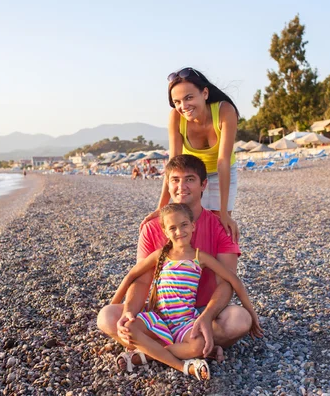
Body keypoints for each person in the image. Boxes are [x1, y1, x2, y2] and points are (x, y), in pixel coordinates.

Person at [97, 155, 254, 371]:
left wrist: (207, 317)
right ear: (168, 184)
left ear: (203, 185)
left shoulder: (221, 226)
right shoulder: (152, 227)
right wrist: (129, 313)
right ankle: (197, 349)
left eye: (189, 179)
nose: (182, 186)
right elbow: (141, 281)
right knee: (107, 317)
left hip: (200, 312)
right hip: (160, 311)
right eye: (175, 180)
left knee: (239, 320)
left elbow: (226, 282)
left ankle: (149, 351)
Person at [110, 203, 262, 380]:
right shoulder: (161, 255)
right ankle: (183, 366)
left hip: (185, 321)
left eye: (183, 225)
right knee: (129, 328)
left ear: (193, 226)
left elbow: (234, 281)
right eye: (172, 228)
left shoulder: (200, 257)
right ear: (166, 232)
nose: (179, 231)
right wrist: (116, 304)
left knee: (198, 346)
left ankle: (150, 354)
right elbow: (132, 275)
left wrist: (252, 314)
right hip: (158, 318)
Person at [140, 67, 240, 243]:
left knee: (218, 224)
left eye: (189, 98)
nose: (183, 106)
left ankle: (217, 266)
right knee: (186, 222)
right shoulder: (176, 118)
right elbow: (173, 163)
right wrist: (161, 206)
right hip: (190, 175)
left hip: (222, 172)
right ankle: (189, 266)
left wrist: (224, 213)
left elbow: (223, 161)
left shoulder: (225, 111)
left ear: (205, 93)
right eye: (177, 101)